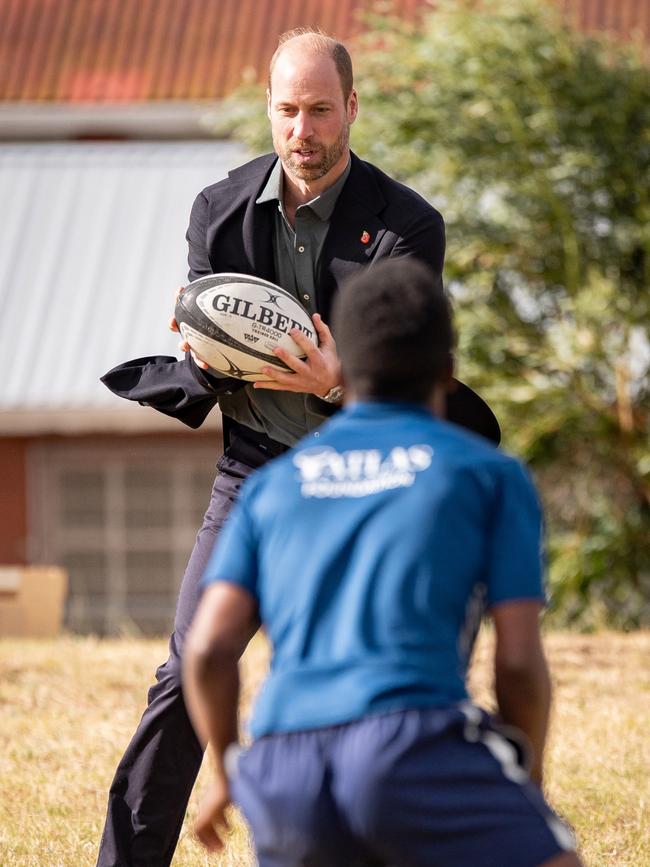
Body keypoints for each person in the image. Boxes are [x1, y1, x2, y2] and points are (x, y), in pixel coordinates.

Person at [97, 28, 497, 867]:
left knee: (387, 692)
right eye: (287, 110)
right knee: (182, 679)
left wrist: (333, 382)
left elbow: (412, 378)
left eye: (320, 110)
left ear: (352, 107)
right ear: (269, 111)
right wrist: (201, 351)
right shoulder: (218, 209)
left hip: (372, 481)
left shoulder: (407, 227)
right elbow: (210, 343)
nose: (303, 131)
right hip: (256, 478)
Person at [183, 258, 582, 867]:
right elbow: (520, 662)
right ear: (447, 373)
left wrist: (227, 770)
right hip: (412, 740)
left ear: (349, 370)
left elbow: (208, 650)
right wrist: (526, 784)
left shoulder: (273, 487)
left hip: (283, 767)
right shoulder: (486, 474)